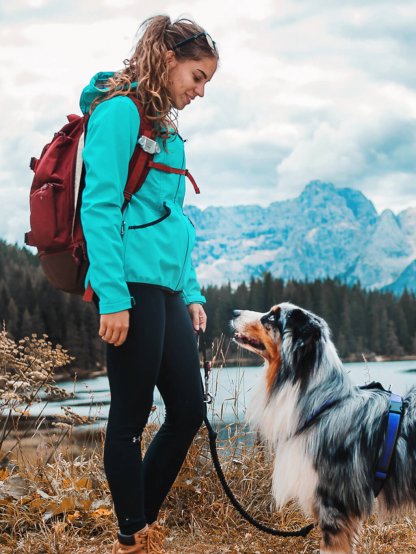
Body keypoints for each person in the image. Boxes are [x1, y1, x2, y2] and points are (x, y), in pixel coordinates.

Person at [79, 15, 218, 554]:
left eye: (206, 80)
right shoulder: (118, 113)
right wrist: (112, 297)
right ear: (167, 59)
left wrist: (191, 291)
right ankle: (133, 535)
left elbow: (173, 218)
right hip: (128, 285)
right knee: (130, 417)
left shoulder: (167, 130)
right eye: (197, 75)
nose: (200, 90)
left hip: (164, 288)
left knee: (188, 410)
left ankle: (140, 522)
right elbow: (100, 206)